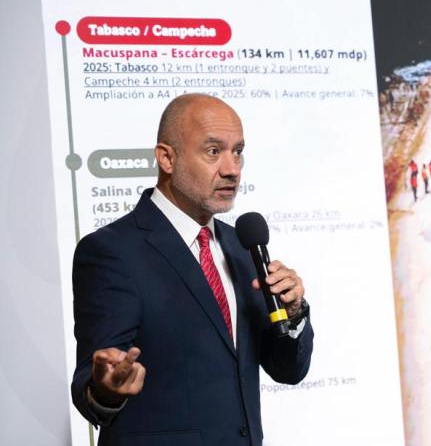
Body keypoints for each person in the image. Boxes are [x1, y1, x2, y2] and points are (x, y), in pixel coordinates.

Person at [71, 94, 313, 446]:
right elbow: (92, 386)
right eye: (213, 151)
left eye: (238, 151)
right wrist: (107, 390)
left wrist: (293, 314)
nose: (232, 169)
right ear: (167, 158)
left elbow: (287, 370)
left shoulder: (241, 246)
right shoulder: (112, 252)